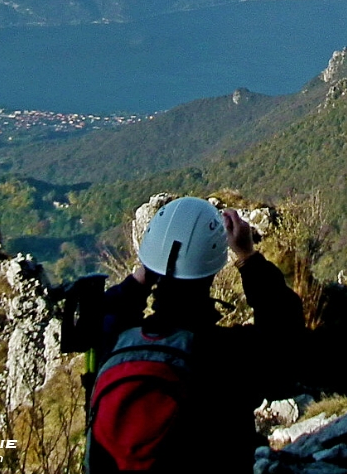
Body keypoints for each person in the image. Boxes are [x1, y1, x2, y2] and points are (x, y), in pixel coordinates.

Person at [86, 197, 304, 473]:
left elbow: (104, 314)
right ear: (212, 268)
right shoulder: (225, 355)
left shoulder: (115, 341)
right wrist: (248, 257)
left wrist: (148, 272)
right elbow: (285, 340)